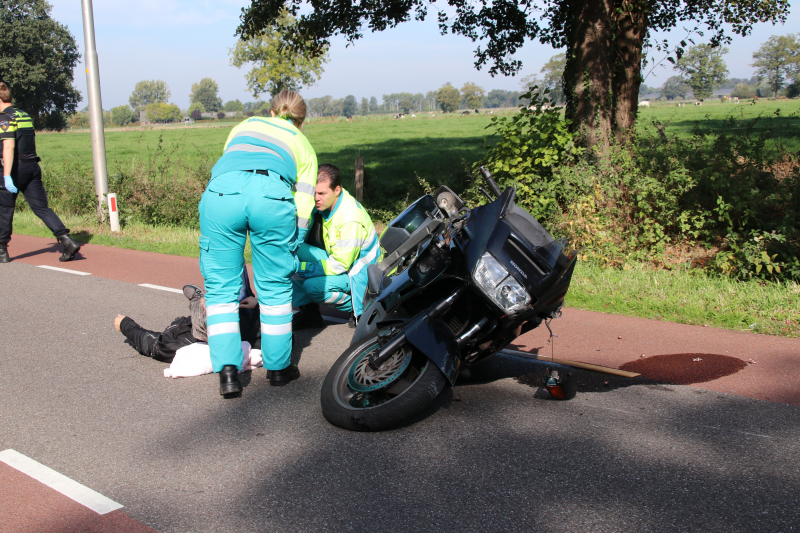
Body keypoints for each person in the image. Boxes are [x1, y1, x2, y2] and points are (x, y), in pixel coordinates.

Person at [199, 89, 317, 397]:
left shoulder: (245, 125)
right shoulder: (304, 146)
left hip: (222, 196)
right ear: (301, 120)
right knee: (276, 287)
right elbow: (304, 207)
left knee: (221, 288)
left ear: (272, 111)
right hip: (271, 197)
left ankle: (227, 373)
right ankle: (278, 369)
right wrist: (293, 243)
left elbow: (229, 163)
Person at [292, 164, 382, 330]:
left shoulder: (349, 218)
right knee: (291, 252)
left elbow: (340, 265)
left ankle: (359, 309)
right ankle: (310, 314)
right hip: (338, 260)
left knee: (312, 286)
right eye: (314, 193)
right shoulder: (326, 204)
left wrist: (303, 268)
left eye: (321, 193)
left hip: (358, 271)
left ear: (337, 190)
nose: (316, 198)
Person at [0, 81, 81, 263]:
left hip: (14, 169)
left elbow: (9, 147)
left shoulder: (4, 118)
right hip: (32, 167)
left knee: (5, 209)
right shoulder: (23, 115)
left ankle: (1, 251)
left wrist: (6, 176)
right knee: (41, 208)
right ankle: (66, 240)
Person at [114, 274, 260, 363]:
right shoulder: (248, 333)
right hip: (244, 311)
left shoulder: (179, 342)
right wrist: (257, 304)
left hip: (191, 324)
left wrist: (125, 324)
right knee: (231, 264)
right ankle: (201, 299)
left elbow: (148, 342)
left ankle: (199, 299)